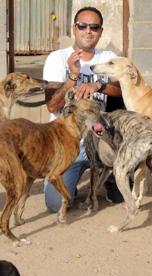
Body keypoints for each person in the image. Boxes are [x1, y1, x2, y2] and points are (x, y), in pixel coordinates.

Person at [43, 6, 124, 213]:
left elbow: (123, 92)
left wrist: (100, 85)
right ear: (74, 28)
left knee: (122, 195)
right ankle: (75, 176)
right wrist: (72, 77)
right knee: (56, 204)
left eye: (94, 27)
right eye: (83, 26)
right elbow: (53, 106)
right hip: (69, 143)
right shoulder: (57, 58)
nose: (88, 31)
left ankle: (111, 176)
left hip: (100, 136)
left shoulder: (108, 57)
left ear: (100, 32)